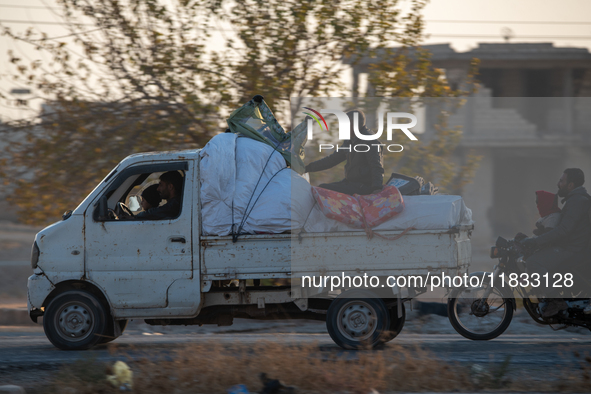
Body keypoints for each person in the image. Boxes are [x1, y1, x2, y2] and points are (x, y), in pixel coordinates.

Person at [521, 168, 591, 317]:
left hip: (572, 249)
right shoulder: (575, 199)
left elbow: (564, 230)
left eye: (561, 181)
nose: (558, 184)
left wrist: (536, 242)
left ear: (570, 185)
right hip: (569, 246)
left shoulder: (577, 201)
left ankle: (556, 301)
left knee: (534, 262)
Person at [305, 110, 384, 196]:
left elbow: (376, 166)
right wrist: (306, 168)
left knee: (323, 190)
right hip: (350, 183)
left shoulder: (370, 140)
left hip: (363, 187)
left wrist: (376, 188)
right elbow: (331, 160)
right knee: (321, 187)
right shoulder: (349, 141)